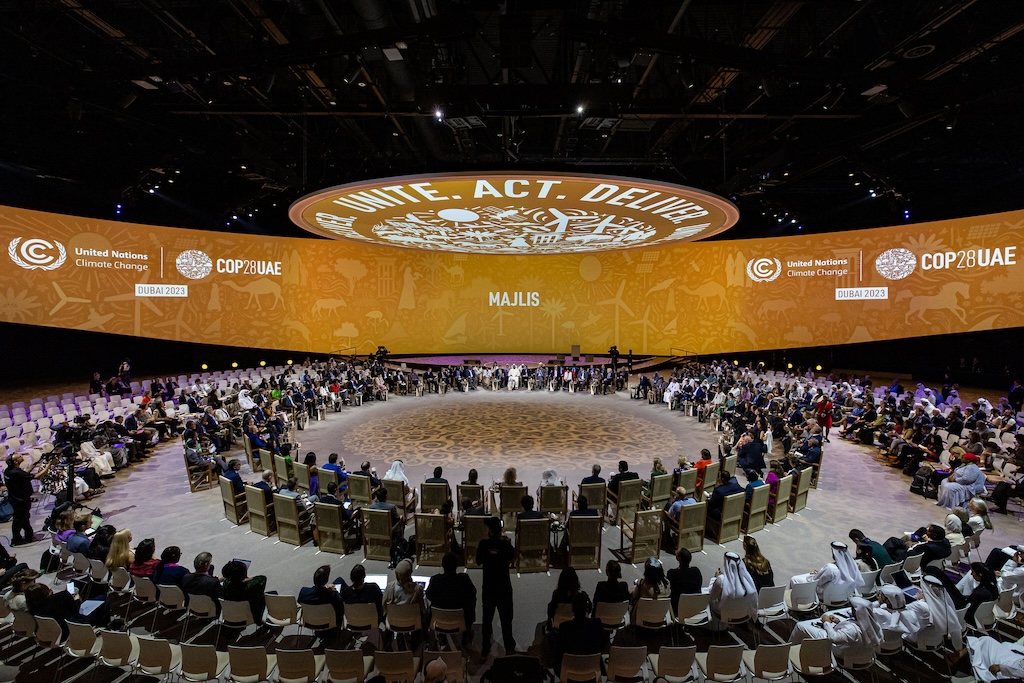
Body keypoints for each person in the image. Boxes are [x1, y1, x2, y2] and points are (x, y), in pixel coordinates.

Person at [789, 596, 883, 659]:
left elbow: (833, 638)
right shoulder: (873, 625)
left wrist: (826, 623)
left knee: (800, 626)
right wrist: (838, 622)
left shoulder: (852, 629)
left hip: (842, 652)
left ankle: (789, 650)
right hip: (862, 654)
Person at [476, 516, 516, 655]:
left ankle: (485, 647)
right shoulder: (506, 544)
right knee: (506, 620)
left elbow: (478, 561)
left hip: (488, 587)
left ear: (489, 530)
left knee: (487, 619)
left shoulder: (483, 544)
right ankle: (509, 648)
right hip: (504, 587)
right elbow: (512, 558)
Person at [4, 454, 57, 545]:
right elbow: (37, 477)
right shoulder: (16, 472)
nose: (21, 456)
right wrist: (49, 465)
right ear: (15, 461)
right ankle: (16, 540)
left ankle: (28, 535)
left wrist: (34, 464)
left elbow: (25, 474)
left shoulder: (9, 471)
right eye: (19, 456)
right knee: (19, 519)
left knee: (24, 518)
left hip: (17, 498)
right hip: (20, 500)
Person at [425, 552, 477, 645]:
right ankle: (467, 632)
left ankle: (440, 636)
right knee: (472, 601)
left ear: (442, 565)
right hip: (460, 618)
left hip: (438, 618)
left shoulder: (435, 580)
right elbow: (472, 593)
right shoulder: (464, 580)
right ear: (456, 565)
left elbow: (429, 595)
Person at [790, 541, 861, 606]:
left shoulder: (830, 568)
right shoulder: (853, 566)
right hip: (843, 595)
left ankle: (799, 604)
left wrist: (813, 575)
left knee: (794, 579)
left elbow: (816, 582)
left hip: (827, 595)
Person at [555, 593, 607, 674]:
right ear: (587, 609)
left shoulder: (564, 627)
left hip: (569, 671)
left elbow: (559, 651)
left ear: (573, 609)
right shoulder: (596, 624)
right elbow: (603, 645)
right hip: (592, 670)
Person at [709, 551, 758, 628]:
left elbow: (712, 597)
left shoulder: (721, 580)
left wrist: (715, 579)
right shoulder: (747, 580)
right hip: (744, 615)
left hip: (724, 614)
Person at [298, 564, 346, 630]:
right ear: (326, 581)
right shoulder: (332, 596)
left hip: (311, 622)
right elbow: (340, 604)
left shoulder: (303, 592)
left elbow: (299, 604)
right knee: (340, 580)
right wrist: (334, 591)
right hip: (331, 623)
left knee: (339, 580)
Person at [222, 559, 267, 624]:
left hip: (232, 615)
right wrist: (246, 578)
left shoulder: (226, 584)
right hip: (251, 615)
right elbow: (262, 578)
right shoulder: (253, 585)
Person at [667, 548, 703, 615]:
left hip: (677, 609)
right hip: (694, 606)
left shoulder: (672, 573)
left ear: (679, 558)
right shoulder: (696, 571)